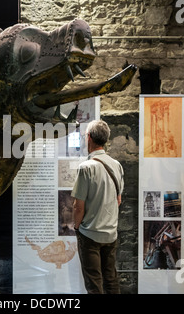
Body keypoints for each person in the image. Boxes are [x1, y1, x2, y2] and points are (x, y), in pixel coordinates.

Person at [71, 120, 124, 294]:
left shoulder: (86, 168)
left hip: (90, 234)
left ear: (89, 138)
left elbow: (78, 206)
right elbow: (118, 200)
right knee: (111, 280)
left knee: (94, 284)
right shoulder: (117, 166)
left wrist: (77, 227)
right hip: (110, 234)